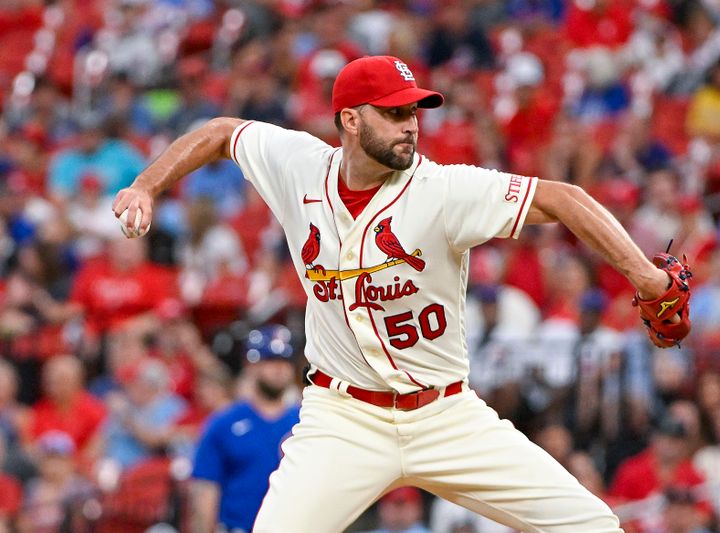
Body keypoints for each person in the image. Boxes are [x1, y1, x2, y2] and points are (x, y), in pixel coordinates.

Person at [113, 55, 680, 532]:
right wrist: (145, 185)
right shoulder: (299, 167)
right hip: (343, 418)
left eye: (414, 110)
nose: (411, 123)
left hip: (446, 415)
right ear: (351, 120)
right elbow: (220, 133)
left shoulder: (443, 190)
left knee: (593, 526)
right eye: (394, 112)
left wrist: (647, 279)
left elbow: (562, 197)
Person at [190, 325, 301, 533]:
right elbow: (205, 490)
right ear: (251, 365)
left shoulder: (306, 421)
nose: (279, 369)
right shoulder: (224, 423)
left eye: (285, 361)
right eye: (270, 360)